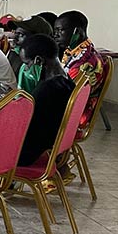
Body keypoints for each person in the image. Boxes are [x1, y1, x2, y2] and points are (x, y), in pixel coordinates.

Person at [16, 34, 75, 166]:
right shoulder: (66, 80)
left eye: (27, 63)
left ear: (38, 60)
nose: (26, 68)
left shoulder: (47, 89)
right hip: (48, 143)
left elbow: (25, 122)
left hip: (28, 154)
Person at [54, 11, 105, 130]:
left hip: (72, 115)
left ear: (77, 32)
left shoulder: (85, 62)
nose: (55, 35)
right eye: (55, 31)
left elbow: (66, 96)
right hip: (66, 106)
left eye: (60, 30)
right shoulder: (75, 50)